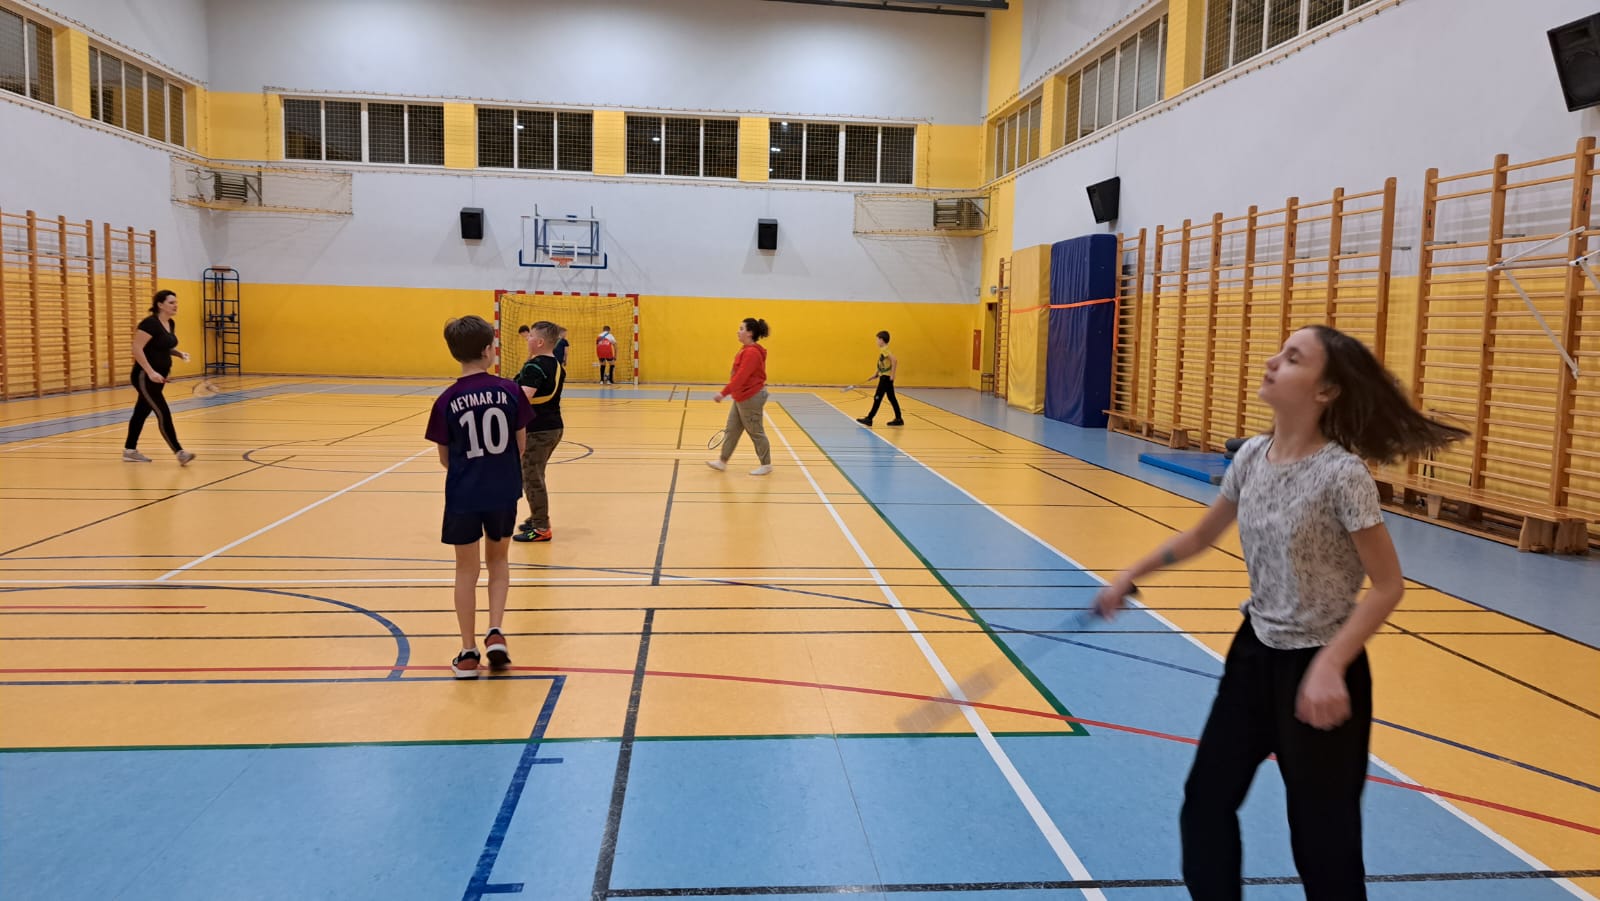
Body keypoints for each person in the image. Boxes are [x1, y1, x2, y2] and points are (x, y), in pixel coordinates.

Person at [1091, 325, 1467, 900]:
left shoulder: (1342, 474)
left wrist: (1330, 666)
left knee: (1322, 843)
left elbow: (1388, 586)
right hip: (1254, 656)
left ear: (1325, 391)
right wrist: (1129, 575)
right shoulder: (1251, 457)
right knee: (1205, 805)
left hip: (1321, 670)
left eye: (1293, 358)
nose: (1272, 361)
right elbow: (1200, 536)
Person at [425, 315, 533, 679]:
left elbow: (444, 458)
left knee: (465, 570)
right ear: (488, 350)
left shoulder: (446, 400)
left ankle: (469, 652)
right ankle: (496, 631)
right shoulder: (510, 391)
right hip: (503, 490)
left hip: (463, 495)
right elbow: (520, 446)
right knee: (498, 562)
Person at [123, 289, 195, 465]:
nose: (175, 305)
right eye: (171, 302)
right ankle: (179, 452)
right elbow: (137, 348)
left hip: (159, 376)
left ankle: (129, 450)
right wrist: (150, 372)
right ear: (160, 305)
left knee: (141, 412)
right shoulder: (150, 324)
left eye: (176, 302)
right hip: (144, 376)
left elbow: (162, 347)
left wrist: (179, 353)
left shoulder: (170, 323)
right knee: (163, 412)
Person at [511, 320, 566, 543]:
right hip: (554, 427)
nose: (528, 339)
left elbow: (523, 398)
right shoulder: (557, 366)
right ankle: (537, 516)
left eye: (531, 336)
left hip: (538, 429)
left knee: (532, 477)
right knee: (536, 473)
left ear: (540, 342)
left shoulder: (535, 366)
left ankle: (541, 527)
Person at [708, 318, 772, 476]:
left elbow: (741, 377)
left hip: (751, 397)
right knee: (732, 430)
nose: (738, 331)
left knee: (756, 431)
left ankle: (766, 464)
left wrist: (723, 393)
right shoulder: (745, 349)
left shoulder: (752, 353)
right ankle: (722, 461)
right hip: (741, 397)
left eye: (741, 328)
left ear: (750, 333)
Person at [855, 329, 904, 427]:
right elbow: (883, 364)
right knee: (891, 398)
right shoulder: (883, 350)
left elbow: (894, 360)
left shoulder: (885, 349)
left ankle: (869, 418)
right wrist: (876, 374)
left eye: (877, 339)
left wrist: (892, 375)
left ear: (882, 340)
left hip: (886, 378)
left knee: (877, 397)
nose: (876, 342)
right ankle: (899, 419)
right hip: (884, 376)